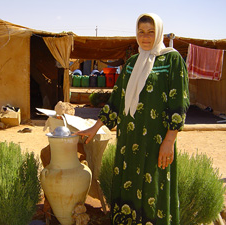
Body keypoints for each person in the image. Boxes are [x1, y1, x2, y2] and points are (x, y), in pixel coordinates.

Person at [75, 13, 190, 225]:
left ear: (159, 33)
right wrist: (95, 127)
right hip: (129, 140)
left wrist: (169, 141)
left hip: (157, 141)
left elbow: (179, 104)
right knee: (130, 185)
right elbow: (117, 100)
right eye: (141, 32)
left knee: (154, 187)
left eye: (150, 32)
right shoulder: (132, 63)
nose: (145, 37)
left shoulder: (172, 60)